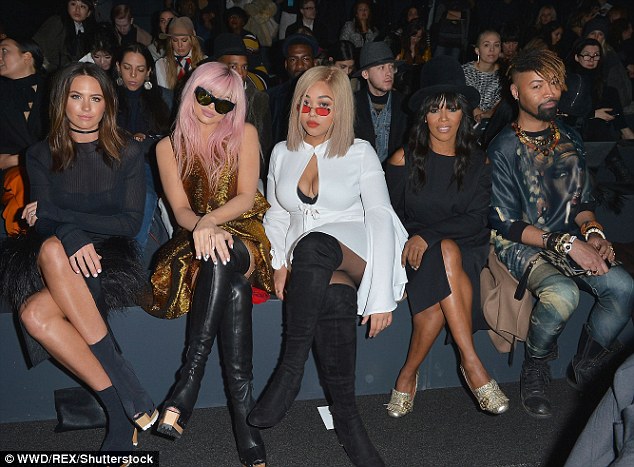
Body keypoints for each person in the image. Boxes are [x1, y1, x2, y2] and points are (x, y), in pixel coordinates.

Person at [248, 66, 408, 467]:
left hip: (360, 250)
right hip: (311, 260)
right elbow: (277, 216)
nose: (312, 113)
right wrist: (280, 261)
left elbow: (381, 216)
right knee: (333, 301)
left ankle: (290, 369)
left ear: (340, 112)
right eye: (306, 104)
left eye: (324, 105)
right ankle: (350, 425)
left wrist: (380, 296)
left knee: (317, 245)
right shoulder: (283, 152)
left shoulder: (360, 152)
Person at [0, 62, 154, 451]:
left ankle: (119, 408)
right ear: (62, 101)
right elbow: (44, 224)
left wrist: (57, 216)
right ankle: (125, 389)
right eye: (76, 96)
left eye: (95, 98)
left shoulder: (129, 152)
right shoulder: (39, 154)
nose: (86, 107)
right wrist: (65, 229)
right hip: (54, 252)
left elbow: (128, 223)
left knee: (35, 313)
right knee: (52, 249)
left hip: (109, 252)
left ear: (107, 104)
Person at [488, 48, 634, 419]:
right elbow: (505, 222)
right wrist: (570, 244)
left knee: (623, 288)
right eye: (537, 85)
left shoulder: (569, 137)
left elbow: (581, 201)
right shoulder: (504, 147)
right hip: (519, 241)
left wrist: (594, 231)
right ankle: (535, 364)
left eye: (553, 82)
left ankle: (584, 363)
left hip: (570, 236)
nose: (549, 92)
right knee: (562, 293)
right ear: (516, 93)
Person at [143, 62, 273, 467]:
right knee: (228, 283)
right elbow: (180, 210)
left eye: (223, 103)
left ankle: (187, 385)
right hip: (196, 241)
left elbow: (246, 197)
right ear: (190, 92)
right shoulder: (167, 146)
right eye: (204, 96)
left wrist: (213, 223)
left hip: (245, 235)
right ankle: (244, 421)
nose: (211, 108)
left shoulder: (244, 135)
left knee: (223, 252)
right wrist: (204, 228)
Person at [385, 55, 509, 418]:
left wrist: (429, 235)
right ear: (423, 114)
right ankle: (472, 363)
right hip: (414, 254)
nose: (443, 118)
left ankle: (409, 374)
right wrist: (415, 243)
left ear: (463, 115)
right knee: (445, 255)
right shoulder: (402, 160)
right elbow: (387, 217)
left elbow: (477, 221)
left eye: (452, 109)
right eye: (435, 109)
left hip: (468, 250)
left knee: (450, 251)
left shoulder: (479, 161)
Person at [115, 43, 172, 252]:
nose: (133, 75)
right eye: (127, 67)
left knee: (145, 196)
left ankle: (130, 262)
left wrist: (146, 138)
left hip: (147, 162)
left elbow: (171, 137)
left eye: (140, 70)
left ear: (148, 71)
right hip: (112, 160)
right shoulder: (106, 96)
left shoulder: (164, 98)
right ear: (118, 67)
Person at [0, 37, 48, 236]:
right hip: (12, 172)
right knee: (22, 184)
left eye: (4, 50)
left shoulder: (54, 89)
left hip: (51, 167)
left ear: (27, 56)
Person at [212, 33, 272, 178]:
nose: (240, 73)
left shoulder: (259, 100)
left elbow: (264, 147)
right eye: (233, 66)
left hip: (247, 175)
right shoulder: (206, 97)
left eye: (244, 67)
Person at [353, 41, 408, 164]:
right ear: (365, 74)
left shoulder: (405, 105)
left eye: (391, 66)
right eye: (381, 67)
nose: (388, 73)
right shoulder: (351, 105)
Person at [267, 33, 317, 146]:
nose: (299, 66)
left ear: (314, 63)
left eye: (305, 59)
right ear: (286, 64)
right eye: (293, 60)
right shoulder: (271, 98)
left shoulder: (328, 95)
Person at [33, 0, 97, 72]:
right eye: (73, 4)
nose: (77, 10)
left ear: (89, 13)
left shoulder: (85, 30)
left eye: (82, 6)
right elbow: (46, 54)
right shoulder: (57, 22)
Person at [154, 16, 206, 91]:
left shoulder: (204, 62)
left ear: (192, 40)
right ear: (170, 42)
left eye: (184, 40)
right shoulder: (161, 64)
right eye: (175, 40)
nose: (180, 45)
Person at [462, 29, 502, 126]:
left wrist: (488, 115)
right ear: (477, 50)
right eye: (486, 45)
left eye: (496, 45)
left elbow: (501, 106)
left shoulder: (504, 74)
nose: (492, 49)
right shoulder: (465, 71)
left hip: (492, 123)